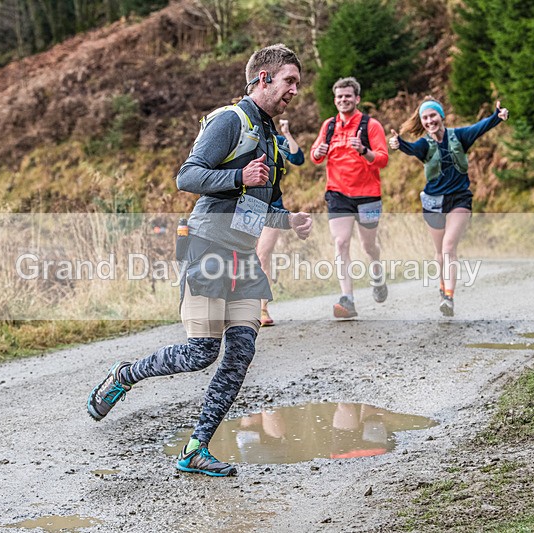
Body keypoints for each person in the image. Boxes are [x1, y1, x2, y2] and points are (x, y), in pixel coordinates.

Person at [86, 44, 312, 477]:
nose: (295, 91)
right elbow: (187, 176)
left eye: (297, 84)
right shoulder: (231, 120)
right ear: (263, 79)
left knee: (240, 353)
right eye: (289, 81)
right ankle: (124, 374)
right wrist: (238, 176)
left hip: (244, 256)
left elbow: (262, 205)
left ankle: (195, 448)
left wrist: (290, 220)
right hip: (208, 245)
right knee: (200, 352)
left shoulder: (272, 138)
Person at [388, 97, 509, 316]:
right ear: (422, 122)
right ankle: (443, 287)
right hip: (434, 202)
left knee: (448, 247)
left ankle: (449, 297)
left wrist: (496, 117)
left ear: (441, 116)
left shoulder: (459, 136)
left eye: (433, 115)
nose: (429, 120)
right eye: (425, 118)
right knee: (439, 252)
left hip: (459, 199)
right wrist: (399, 144)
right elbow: (413, 149)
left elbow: (479, 128)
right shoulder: (425, 144)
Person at [310, 77, 389, 319]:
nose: (343, 100)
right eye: (339, 97)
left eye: (348, 96)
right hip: (338, 193)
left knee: (368, 246)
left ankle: (377, 274)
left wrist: (364, 151)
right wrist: (318, 152)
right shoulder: (329, 126)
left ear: (357, 99)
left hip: (368, 195)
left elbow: (383, 159)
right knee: (341, 242)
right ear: (335, 101)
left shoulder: (371, 126)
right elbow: (314, 155)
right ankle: (348, 299)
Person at [256, 118, 305, 326]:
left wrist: (286, 132)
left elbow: (298, 158)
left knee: (263, 255)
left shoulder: (275, 140)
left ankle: (262, 309)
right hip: (245, 208)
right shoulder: (240, 140)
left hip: (273, 208)